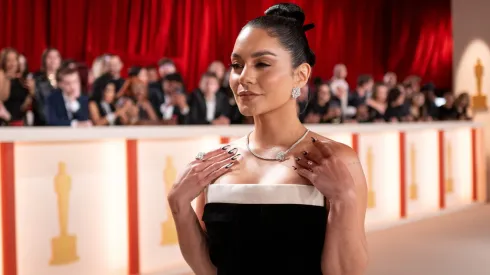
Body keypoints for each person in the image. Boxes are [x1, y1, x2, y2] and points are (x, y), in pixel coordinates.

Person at [167, 3, 368, 275]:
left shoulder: (335, 159)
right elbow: (208, 270)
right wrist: (179, 207)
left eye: (262, 64)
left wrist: (344, 200)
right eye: (236, 65)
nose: (243, 77)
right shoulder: (219, 163)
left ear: (301, 75)